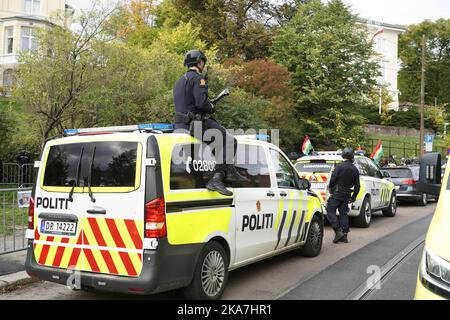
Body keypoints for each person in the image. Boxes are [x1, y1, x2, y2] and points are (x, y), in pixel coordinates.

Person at [173, 49, 246, 196]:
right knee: (230, 141)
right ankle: (218, 178)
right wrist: (210, 107)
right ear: (199, 62)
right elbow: (201, 104)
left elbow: (188, 103)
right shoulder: (199, 79)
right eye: (202, 62)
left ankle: (225, 171)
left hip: (179, 125)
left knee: (215, 147)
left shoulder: (178, 81)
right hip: (195, 125)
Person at [327, 147, 360, 243]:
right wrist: (354, 197)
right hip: (347, 194)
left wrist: (331, 188)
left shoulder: (339, 166)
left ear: (343, 155)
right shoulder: (355, 169)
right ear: (352, 156)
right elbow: (357, 186)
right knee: (343, 213)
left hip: (337, 193)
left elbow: (333, 180)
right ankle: (344, 235)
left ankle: (338, 231)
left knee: (330, 210)